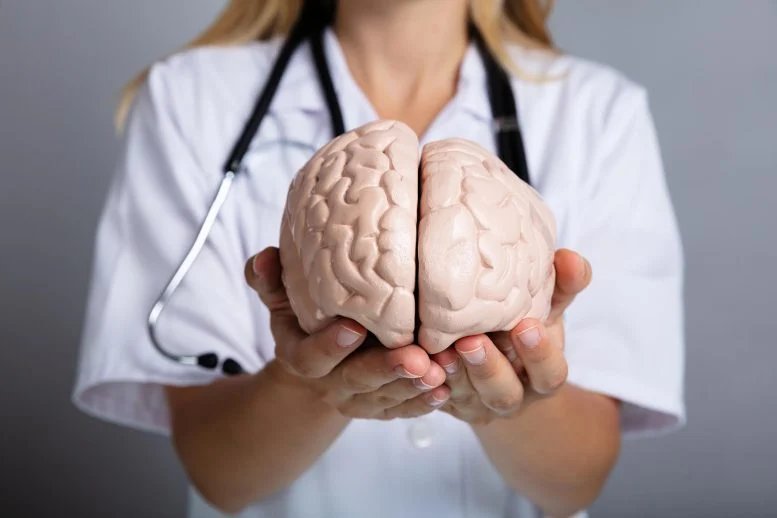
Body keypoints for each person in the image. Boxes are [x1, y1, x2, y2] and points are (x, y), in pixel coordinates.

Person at [73, 1, 685, 516]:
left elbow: (576, 481)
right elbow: (219, 474)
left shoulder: (597, 113)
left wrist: (516, 403)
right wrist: (303, 386)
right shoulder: (191, 97)